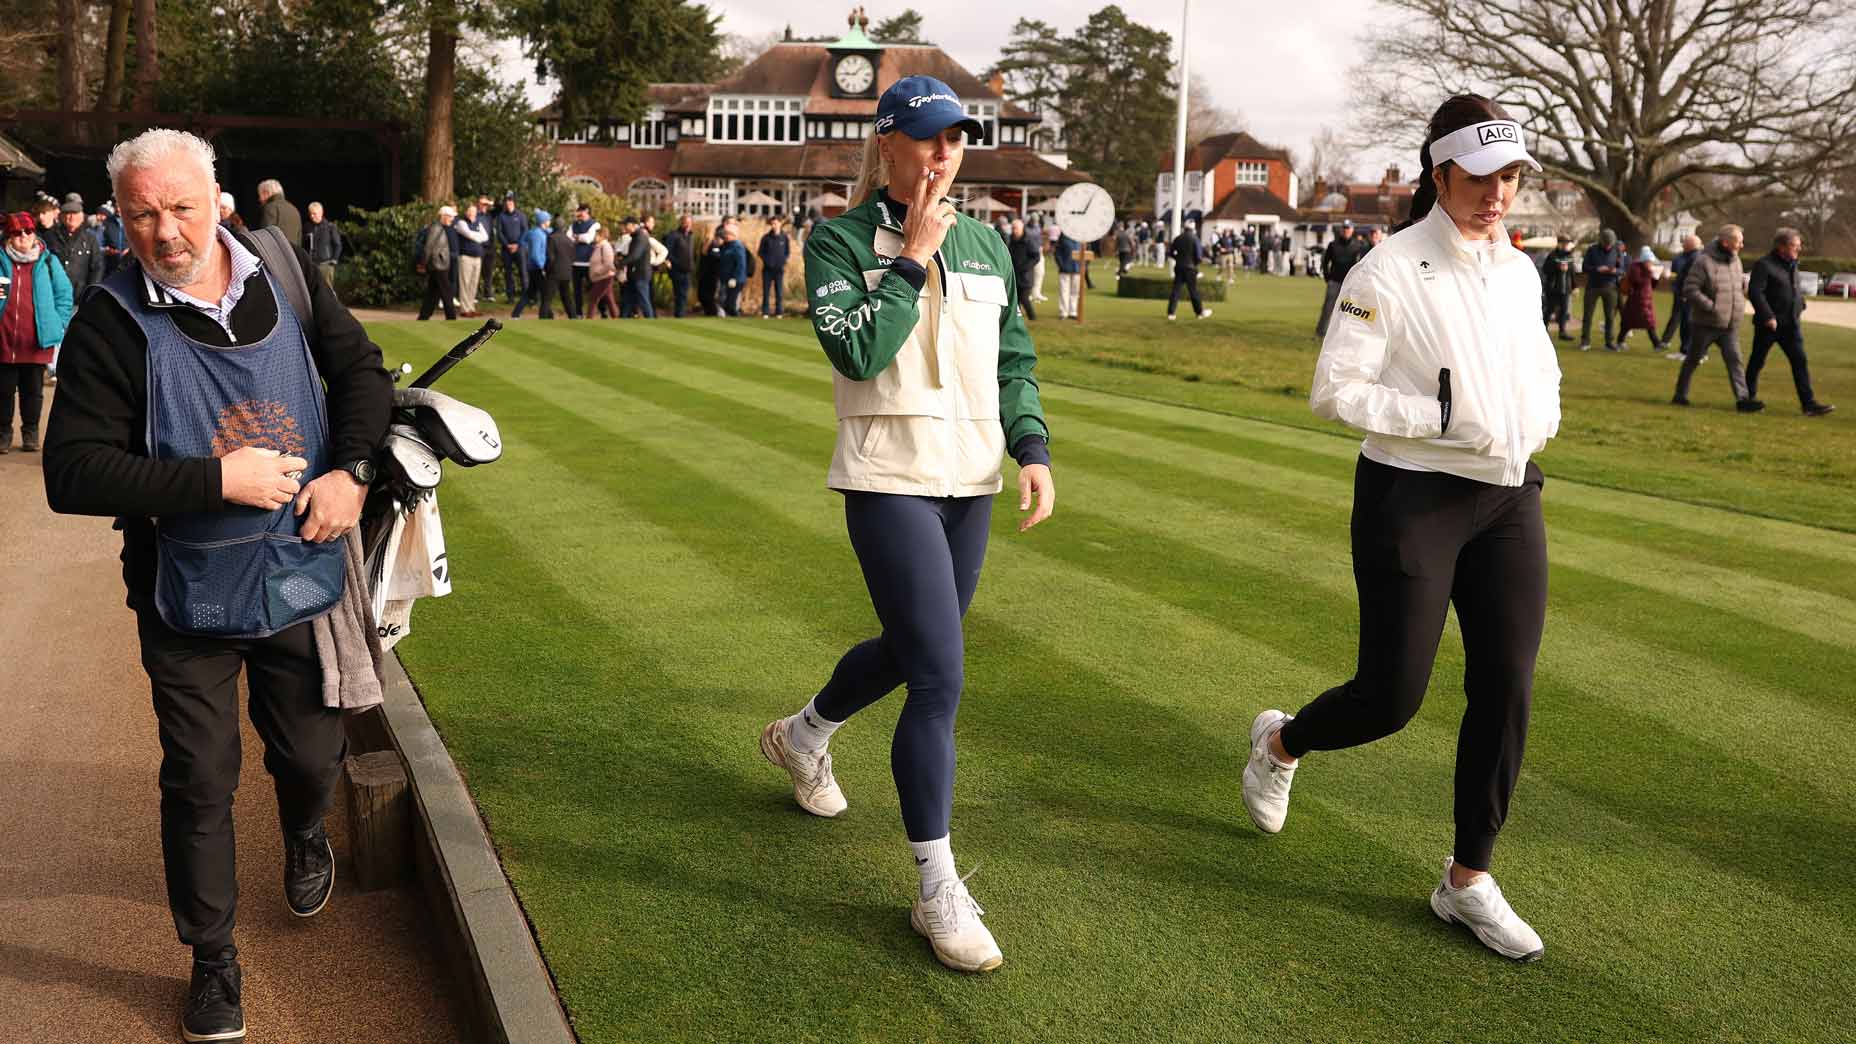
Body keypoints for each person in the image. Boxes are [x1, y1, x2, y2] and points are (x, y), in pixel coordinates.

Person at [43, 127, 391, 1043]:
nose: (165, 231)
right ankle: (212, 961)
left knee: (312, 758)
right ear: (120, 216)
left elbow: (358, 370)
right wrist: (215, 481)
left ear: (219, 199)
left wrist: (351, 470)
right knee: (200, 778)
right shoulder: (108, 323)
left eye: (181, 208)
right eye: (143, 213)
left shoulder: (283, 266)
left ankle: (307, 827)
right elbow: (71, 472)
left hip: (300, 569)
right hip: (184, 591)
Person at [1245, 94, 1560, 965]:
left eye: (1511, 177)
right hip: (1412, 493)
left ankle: (1467, 880)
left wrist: (1536, 426)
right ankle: (1281, 742)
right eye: (1481, 177)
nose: (1497, 194)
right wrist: (1442, 417)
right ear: (1440, 174)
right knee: (1391, 698)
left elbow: (1539, 363)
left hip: (1507, 497)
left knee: (1508, 684)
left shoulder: (1521, 270)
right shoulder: (1385, 269)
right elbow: (1335, 392)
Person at [767, 74, 1054, 975]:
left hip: (969, 480)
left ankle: (802, 734)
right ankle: (938, 887)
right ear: (886, 144)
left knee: (910, 647)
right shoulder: (838, 240)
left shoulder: (988, 245)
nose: (944, 155)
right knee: (939, 675)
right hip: (887, 474)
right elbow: (856, 347)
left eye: (956, 139)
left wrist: (1032, 445)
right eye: (928, 138)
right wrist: (909, 260)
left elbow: (1014, 357)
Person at [0, 211, 74, 453]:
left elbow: (64, 295)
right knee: (3, 392)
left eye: (28, 231)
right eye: (16, 232)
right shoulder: (1, 261)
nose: (23, 236)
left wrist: (59, 323)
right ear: (8, 237)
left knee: (33, 393)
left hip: (36, 341)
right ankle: (3, 433)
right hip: (4, 341)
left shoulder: (48, 262)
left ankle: (30, 432)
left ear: (34, 234)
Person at [1746, 227, 1835, 417]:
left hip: (1791, 325)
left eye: (1798, 245)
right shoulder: (1764, 265)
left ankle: (1809, 405)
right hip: (1769, 325)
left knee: (1800, 361)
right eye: (1795, 245)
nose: (1798, 249)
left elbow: (1793, 288)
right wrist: (1768, 316)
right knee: (1757, 361)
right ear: (1781, 247)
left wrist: (1800, 304)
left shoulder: (1793, 264)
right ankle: (1748, 398)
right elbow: (1755, 292)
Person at [1672, 224, 1755, 410]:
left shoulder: (1736, 261)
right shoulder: (1703, 262)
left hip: (1729, 324)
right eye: (1738, 241)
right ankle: (1680, 394)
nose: (1742, 245)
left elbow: (1738, 288)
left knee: (1735, 361)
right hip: (1705, 323)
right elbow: (1690, 289)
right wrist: (1711, 307)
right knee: (1693, 359)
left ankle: (1743, 400)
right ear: (1726, 243)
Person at [43, 193, 106, 296]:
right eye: (68, 213)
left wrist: (91, 292)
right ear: (61, 217)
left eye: (75, 213)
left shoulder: (90, 239)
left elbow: (97, 267)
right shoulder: (50, 237)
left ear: (82, 217)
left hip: (80, 295)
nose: (72, 217)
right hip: (53, 292)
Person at [1314, 220, 1366, 337]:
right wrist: (1328, 277)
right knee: (1328, 309)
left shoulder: (1359, 245)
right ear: (1341, 230)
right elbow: (1325, 262)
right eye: (1344, 228)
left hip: (1350, 283)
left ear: (1352, 230)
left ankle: (1344, 334)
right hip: (1335, 281)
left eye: (1348, 228)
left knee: (1349, 310)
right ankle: (1320, 333)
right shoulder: (1333, 245)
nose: (1346, 230)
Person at [1577, 227, 1624, 351]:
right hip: (1593, 286)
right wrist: (1597, 269)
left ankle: (1609, 342)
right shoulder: (1592, 250)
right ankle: (1585, 341)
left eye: (1610, 244)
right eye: (1606, 244)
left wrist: (1615, 271)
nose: (1608, 246)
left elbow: (1622, 270)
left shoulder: (1617, 251)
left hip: (1610, 287)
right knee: (1588, 315)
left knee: (1610, 317)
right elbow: (1584, 267)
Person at [412, 204, 460, 321]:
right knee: (446, 292)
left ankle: (423, 317)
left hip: (439, 265)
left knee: (432, 293)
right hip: (438, 265)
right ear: (443, 216)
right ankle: (451, 317)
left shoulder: (442, 228)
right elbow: (429, 247)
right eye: (449, 217)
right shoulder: (436, 228)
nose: (452, 219)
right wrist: (423, 264)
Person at [1660, 234, 1701, 360]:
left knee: (1687, 323)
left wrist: (1684, 293)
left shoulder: (1695, 257)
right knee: (1683, 320)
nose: (1683, 244)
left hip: (1686, 295)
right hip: (1684, 294)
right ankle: (1690, 351)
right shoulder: (1688, 256)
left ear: (1690, 245)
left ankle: (1687, 351)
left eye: (1685, 243)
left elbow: (1689, 277)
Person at [1616, 246, 1664, 352]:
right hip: (1636, 299)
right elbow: (1637, 281)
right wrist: (1650, 273)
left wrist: (1656, 277)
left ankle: (1656, 343)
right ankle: (1656, 343)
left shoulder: (1647, 268)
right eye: (1649, 261)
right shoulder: (1635, 267)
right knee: (1637, 321)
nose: (1651, 263)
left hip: (1646, 299)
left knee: (1640, 321)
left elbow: (1652, 285)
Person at [1166, 221, 1212, 320]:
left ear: (1184, 228)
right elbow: (1199, 257)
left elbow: (1170, 252)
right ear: (1193, 229)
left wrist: (1177, 258)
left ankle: (1171, 313)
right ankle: (1199, 312)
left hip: (1179, 267)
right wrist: (1194, 264)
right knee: (1193, 291)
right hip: (1190, 268)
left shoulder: (1178, 238)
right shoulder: (1195, 239)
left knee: (1176, 291)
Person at [510, 208, 550, 319]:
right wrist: (542, 267)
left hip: (533, 267)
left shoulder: (537, 232)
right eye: (548, 220)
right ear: (543, 221)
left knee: (530, 293)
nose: (549, 222)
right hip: (537, 268)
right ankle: (547, 316)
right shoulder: (537, 234)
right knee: (545, 294)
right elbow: (535, 254)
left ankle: (515, 314)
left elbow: (523, 241)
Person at [455, 200, 490, 318]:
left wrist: (476, 236)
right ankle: (464, 309)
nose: (472, 213)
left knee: (474, 284)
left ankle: (471, 307)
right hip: (466, 257)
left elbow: (485, 237)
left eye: (474, 211)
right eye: (470, 211)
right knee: (465, 283)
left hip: (477, 257)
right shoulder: (461, 222)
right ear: (466, 212)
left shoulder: (478, 223)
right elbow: (468, 234)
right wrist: (477, 236)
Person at [1539, 234, 1575, 340]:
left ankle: (1562, 332)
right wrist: (1557, 267)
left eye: (1567, 243)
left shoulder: (1569, 256)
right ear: (1559, 244)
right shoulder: (1552, 255)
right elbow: (1545, 270)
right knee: (1549, 310)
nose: (1565, 245)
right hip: (1553, 288)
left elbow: (1572, 273)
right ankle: (1543, 330)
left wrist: (1574, 286)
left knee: (1564, 310)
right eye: (1564, 243)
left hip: (1565, 289)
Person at [493, 192, 527, 306]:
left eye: (510, 202)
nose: (508, 204)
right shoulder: (501, 216)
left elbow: (525, 231)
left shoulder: (521, 215)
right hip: (506, 249)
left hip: (519, 248)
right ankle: (510, 297)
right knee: (508, 273)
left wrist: (517, 244)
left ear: (514, 203)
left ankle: (526, 297)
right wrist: (507, 245)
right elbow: (499, 232)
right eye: (507, 202)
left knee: (523, 272)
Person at [622, 216, 659, 319]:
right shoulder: (636, 236)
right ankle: (622, 319)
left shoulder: (640, 237)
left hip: (641, 274)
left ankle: (651, 321)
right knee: (628, 300)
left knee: (644, 300)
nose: (624, 227)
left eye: (626, 225)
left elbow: (635, 255)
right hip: (635, 274)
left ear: (633, 225)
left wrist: (620, 264)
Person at [303, 201, 344, 292]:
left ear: (321, 213)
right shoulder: (307, 227)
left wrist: (334, 260)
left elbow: (338, 245)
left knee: (328, 290)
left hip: (326, 264)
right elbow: (304, 245)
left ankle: (331, 306)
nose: (312, 216)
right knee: (312, 289)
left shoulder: (330, 227)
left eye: (314, 213)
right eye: (310, 214)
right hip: (312, 264)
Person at [569, 204, 600, 319]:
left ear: (587, 213)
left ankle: (601, 311)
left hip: (589, 262)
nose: (579, 215)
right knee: (577, 291)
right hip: (575, 262)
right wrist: (579, 238)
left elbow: (589, 239)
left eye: (582, 212)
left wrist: (576, 237)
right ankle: (579, 313)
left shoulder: (595, 224)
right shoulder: (573, 225)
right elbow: (568, 238)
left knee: (594, 289)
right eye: (579, 212)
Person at [1006, 219, 1039, 320]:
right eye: (1013, 228)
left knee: (1024, 298)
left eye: (1016, 228)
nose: (1014, 230)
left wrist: (1026, 267)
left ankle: (1032, 317)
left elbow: (1036, 257)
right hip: (1014, 274)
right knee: (1015, 299)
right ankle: (1016, 318)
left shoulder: (1028, 240)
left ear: (1021, 229)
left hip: (1025, 276)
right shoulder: (1010, 240)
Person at [758, 217, 791, 318]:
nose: (774, 225)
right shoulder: (766, 237)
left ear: (780, 224)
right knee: (766, 291)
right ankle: (765, 312)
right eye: (772, 224)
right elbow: (760, 252)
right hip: (767, 269)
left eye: (776, 223)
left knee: (779, 292)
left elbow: (787, 252)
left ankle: (779, 312)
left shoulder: (784, 237)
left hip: (779, 269)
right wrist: (767, 261)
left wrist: (783, 261)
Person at [663, 214, 694, 317]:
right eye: (686, 223)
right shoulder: (674, 235)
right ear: (681, 223)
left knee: (683, 295)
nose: (688, 225)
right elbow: (667, 252)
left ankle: (680, 315)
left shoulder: (690, 235)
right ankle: (680, 315)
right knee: (680, 294)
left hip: (687, 270)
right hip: (677, 271)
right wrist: (677, 263)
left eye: (690, 223)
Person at [254, 179, 302, 245]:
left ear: (266, 193)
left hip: (274, 254)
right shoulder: (294, 209)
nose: (259, 199)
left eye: (260, 195)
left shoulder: (269, 208)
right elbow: (299, 240)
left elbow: (265, 238)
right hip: (292, 254)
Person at [587, 224, 619, 318]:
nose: (594, 237)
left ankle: (589, 319)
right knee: (609, 299)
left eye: (596, 235)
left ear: (602, 236)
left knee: (593, 298)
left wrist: (598, 271)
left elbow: (609, 264)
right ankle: (616, 317)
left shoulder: (606, 246)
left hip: (604, 277)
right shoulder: (598, 246)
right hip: (600, 278)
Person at [716, 221, 747, 317]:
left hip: (735, 280)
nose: (724, 236)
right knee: (724, 302)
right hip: (726, 279)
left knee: (730, 304)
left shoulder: (738, 246)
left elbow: (740, 265)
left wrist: (734, 278)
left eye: (726, 234)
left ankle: (737, 319)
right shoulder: (726, 245)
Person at [94, 201, 129, 275]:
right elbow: (98, 244)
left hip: (129, 264)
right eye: (116, 206)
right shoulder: (106, 223)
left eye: (121, 206)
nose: (118, 209)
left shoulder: (132, 221)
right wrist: (106, 250)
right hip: (110, 265)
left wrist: (130, 251)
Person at [1054, 226, 1082, 319]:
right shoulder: (1063, 237)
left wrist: (1083, 266)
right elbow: (1057, 253)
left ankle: (1073, 312)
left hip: (1077, 269)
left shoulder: (1080, 238)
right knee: (1064, 291)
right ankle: (1063, 312)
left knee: (1075, 291)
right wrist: (1061, 265)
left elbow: (1084, 252)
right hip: (1065, 269)